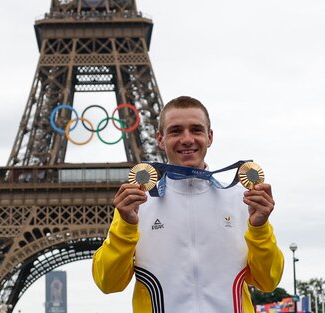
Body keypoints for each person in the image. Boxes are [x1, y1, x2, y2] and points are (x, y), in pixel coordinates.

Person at [92, 96, 284, 313]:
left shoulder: (242, 199)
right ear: (160, 139)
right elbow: (107, 283)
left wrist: (259, 229)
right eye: (175, 131)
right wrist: (126, 227)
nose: (187, 139)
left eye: (196, 130)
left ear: (209, 136)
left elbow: (269, 281)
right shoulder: (137, 205)